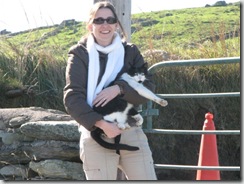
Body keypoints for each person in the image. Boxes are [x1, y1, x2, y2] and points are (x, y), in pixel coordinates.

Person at [63, 1, 157, 180]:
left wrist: (119, 88)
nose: (104, 25)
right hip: (96, 132)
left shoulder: (130, 52)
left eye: (110, 19)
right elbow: (72, 97)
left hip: (130, 129)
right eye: (99, 20)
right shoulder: (79, 54)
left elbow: (148, 87)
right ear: (90, 25)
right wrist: (103, 125)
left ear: (116, 24)